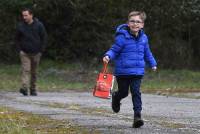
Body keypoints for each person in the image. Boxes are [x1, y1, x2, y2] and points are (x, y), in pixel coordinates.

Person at [103, 11, 157, 128]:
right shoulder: (122, 37)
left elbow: (147, 52)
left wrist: (152, 63)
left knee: (136, 92)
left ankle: (137, 116)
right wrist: (108, 55)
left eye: (138, 22)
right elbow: (114, 49)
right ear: (128, 23)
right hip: (123, 72)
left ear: (142, 25)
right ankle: (116, 97)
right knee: (123, 92)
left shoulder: (144, 38)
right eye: (132, 21)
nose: (135, 24)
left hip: (137, 72)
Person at [15, 8, 47, 96]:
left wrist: (41, 50)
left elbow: (44, 38)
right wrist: (20, 50)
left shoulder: (39, 25)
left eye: (26, 15)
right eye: (23, 15)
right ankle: (24, 88)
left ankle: (33, 89)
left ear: (31, 15)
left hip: (36, 53)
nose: (24, 17)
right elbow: (16, 39)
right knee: (26, 70)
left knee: (34, 72)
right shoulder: (20, 26)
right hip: (24, 53)